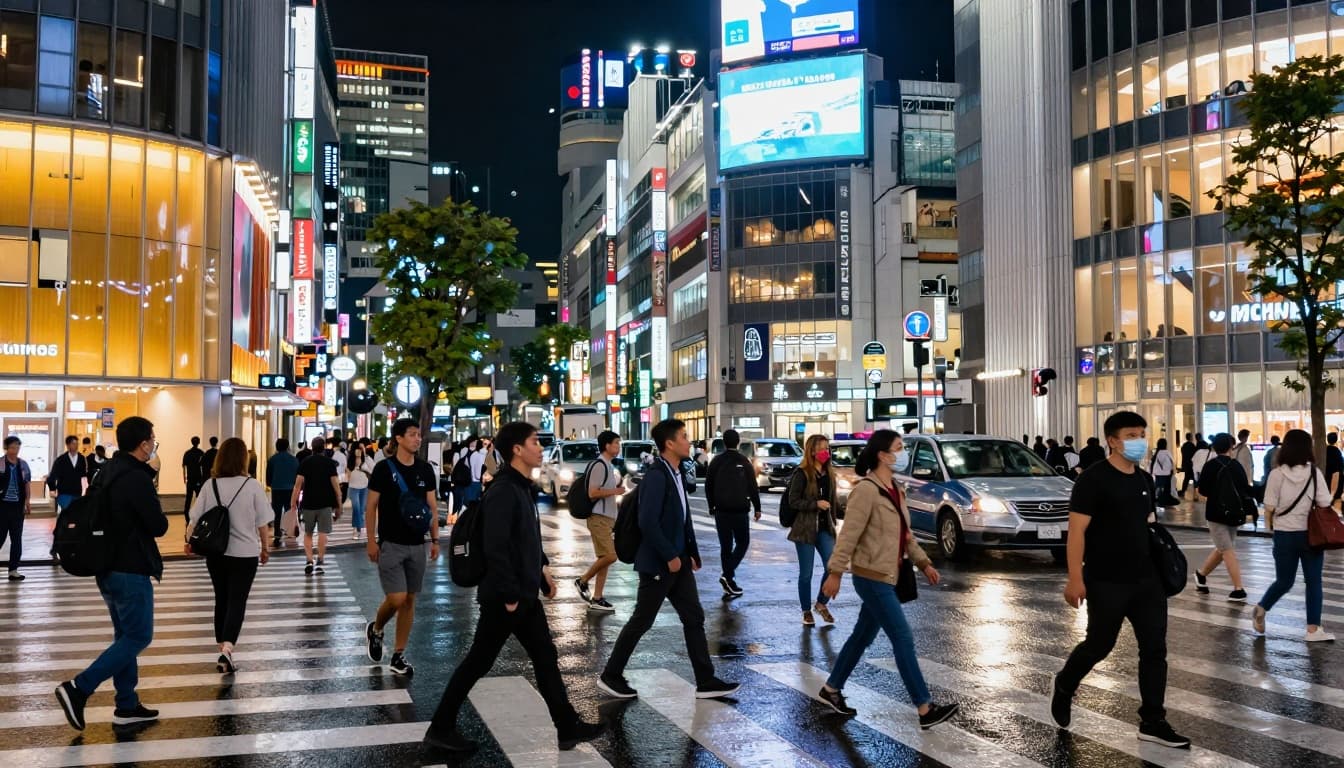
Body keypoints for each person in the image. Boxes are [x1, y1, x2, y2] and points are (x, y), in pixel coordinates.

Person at [424, 421, 605, 754]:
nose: (540, 447)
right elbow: (497, 547)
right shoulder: (506, 490)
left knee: (544, 657)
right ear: (517, 450)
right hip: (506, 597)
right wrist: (509, 596)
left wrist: (542, 570)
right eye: (535, 442)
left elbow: (525, 540)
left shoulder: (520, 486)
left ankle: (567, 727)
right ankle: (441, 727)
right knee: (479, 662)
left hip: (521, 594)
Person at [1052, 411, 1190, 749]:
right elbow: (1076, 533)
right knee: (1100, 644)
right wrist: (1074, 578)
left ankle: (1153, 720)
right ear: (1113, 440)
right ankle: (1065, 684)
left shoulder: (1143, 480)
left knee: (1155, 649)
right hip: (1105, 580)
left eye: (1141, 433)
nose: (1139, 440)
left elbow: (1148, 525)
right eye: (1131, 434)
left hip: (1147, 581)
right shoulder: (1093, 480)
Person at [817, 430, 959, 729]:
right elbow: (849, 536)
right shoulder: (866, 490)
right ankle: (924, 707)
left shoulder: (895, 488)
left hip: (890, 575)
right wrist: (835, 572)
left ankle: (831, 689)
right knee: (902, 638)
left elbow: (905, 535)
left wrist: (924, 563)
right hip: (872, 578)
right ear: (882, 454)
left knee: (862, 636)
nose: (903, 452)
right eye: (898, 447)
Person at [598, 419, 739, 701]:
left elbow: (683, 518)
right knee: (642, 619)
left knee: (694, 617)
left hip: (679, 561)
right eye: (685, 437)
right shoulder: (657, 476)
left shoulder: (675, 472)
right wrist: (670, 555)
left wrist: (692, 552)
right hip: (660, 563)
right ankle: (611, 675)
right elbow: (647, 521)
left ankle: (705, 680)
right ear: (670, 444)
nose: (690, 442)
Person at [54, 417, 168, 731]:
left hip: (106, 567)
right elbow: (159, 525)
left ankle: (127, 705)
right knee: (138, 636)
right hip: (130, 567)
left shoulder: (106, 472)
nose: (153, 444)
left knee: (125, 636)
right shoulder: (136, 477)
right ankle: (79, 688)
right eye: (152, 439)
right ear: (143, 442)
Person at [185, 437, 271, 674]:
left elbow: (195, 517)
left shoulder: (209, 485)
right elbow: (263, 522)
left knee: (221, 597)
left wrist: (187, 541)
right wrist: (265, 548)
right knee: (237, 600)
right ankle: (228, 648)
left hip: (216, 552)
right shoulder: (252, 485)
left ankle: (221, 644)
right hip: (245, 554)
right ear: (244, 458)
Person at [364, 418, 440, 677]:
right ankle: (376, 629)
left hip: (417, 544)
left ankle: (398, 655)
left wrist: (435, 540)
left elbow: (431, 507)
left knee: (409, 600)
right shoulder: (384, 469)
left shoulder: (425, 470)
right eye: (412, 435)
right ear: (398, 438)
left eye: (419, 435)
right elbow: (371, 505)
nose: (417, 439)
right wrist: (371, 540)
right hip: (391, 544)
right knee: (396, 597)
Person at [1255, 429, 1334, 642]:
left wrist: (1271, 526)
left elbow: (1269, 506)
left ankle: (1262, 607)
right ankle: (1312, 630)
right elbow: (1325, 503)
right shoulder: (1314, 473)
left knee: (1284, 580)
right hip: (1311, 535)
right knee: (1313, 581)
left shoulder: (1276, 474)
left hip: (1284, 535)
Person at [786, 434, 838, 625]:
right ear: (812, 451)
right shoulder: (802, 473)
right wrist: (815, 504)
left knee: (832, 566)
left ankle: (821, 603)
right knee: (806, 573)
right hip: (805, 530)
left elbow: (832, 502)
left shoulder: (829, 473)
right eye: (823, 448)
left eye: (828, 448)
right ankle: (806, 611)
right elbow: (793, 501)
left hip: (825, 528)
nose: (827, 452)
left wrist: (834, 522)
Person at [705, 429, 762, 598]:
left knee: (725, 546)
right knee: (743, 543)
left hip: (721, 510)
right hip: (739, 510)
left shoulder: (716, 461)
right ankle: (728, 576)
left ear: (724, 441)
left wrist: (711, 506)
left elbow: (709, 485)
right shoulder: (743, 461)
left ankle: (728, 578)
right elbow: (752, 486)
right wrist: (757, 507)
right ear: (738, 442)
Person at [1195, 433, 1250, 603]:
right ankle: (1238, 588)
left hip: (1215, 513)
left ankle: (1201, 574)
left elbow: (1202, 490)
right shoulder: (1237, 466)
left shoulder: (1210, 466)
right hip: (1234, 513)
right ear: (1230, 447)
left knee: (1224, 548)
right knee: (1227, 548)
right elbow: (1244, 488)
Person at [575, 430, 625, 612]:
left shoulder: (609, 465)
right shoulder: (599, 465)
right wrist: (616, 492)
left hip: (607, 518)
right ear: (607, 446)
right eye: (616, 443)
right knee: (610, 556)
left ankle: (597, 597)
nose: (619, 447)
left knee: (604, 558)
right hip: (598, 518)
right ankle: (582, 581)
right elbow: (592, 492)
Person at [291, 437, 341, 575]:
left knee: (308, 533)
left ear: (312, 447)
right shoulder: (329, 463)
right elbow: (336, 486)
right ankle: (320, 561)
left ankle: (309, 560)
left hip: (308, 503)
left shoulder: (305, 462)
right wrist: (339, 504)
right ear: (323, 447)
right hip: (325, 504)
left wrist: (293, 503)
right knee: (322, 533)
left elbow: (297, 485)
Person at [0, 436, 32, 581]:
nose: (15, 450)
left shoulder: (23, 465)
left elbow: (26, 484)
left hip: (17, 507)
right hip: (2, 506)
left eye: (17, 447)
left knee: (16, 539)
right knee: (0, 537)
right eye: (12, 447)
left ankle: (13, 570)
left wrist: (27, 502)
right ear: (6, 448)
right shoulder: (0, 463)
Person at [265, 439, 299, 548]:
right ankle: (289, 532)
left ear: (276, 447)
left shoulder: (272, 459)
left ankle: (277, 534)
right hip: (290, 489)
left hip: (277, 488)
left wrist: (270, 484)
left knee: (277, 512)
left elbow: (268, 476)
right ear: (287, 446)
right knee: (289, 511)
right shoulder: (294, 460)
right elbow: (297, 475)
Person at [48, 434, 88, 515]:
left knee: (75, 514)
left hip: (77, 492)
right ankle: (63, 527)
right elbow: (53, 475)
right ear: (68, 445)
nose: (76, 446)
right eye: (73, 444)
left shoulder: (82, 459)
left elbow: (84, 475)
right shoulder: (61, 460)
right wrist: (52, 488)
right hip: (64, 492)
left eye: (77, 444)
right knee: (67, 513)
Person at [347, 444, 375, 540]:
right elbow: (347, 473)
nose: (360, 451)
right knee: (356, 508)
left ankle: (358, 529)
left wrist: (364, 465)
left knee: (361, 509)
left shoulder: (367, 459)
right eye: (358, 449)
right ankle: (358, 528)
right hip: (353, 487)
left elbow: (374, 470)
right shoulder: (350, 460)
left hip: (364, 487)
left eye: (362, 449)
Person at [182, 436, 205, 518]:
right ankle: (199, 512)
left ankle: (186, 512)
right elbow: (203, 467)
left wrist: (184, 478)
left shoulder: (187, 453)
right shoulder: (201, 453)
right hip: (198, 479)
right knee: (199, 497)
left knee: (188, 497)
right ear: (198, 442)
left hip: (190, 478)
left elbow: (184, 466)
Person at [1149, 439, 1177, 507]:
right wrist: (1173, 471)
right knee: (1167, 487)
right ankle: (1165, 499)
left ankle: (1155, 497)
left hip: (1157, 473)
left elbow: (1153, 463)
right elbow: (1172, 462)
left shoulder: (1157, 453)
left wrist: (1151, 471)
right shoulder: (1167, 452)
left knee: (1158, 485)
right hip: (1167, 473)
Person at [1327, 433, 1344, 508]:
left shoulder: (1325, 450)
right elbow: (1340, 466)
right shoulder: (1337, 452)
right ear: (1336, 440)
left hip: (1326, 477)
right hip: (1337, 479)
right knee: (1336, 499)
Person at [331, 438, 349, 506]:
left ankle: (337, 505)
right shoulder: (344, 454)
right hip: (342, 476)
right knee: (341, 492)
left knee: (337, 491)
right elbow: (345, 467)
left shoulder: (335, 453)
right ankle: (339, 505)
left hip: (336, 476)